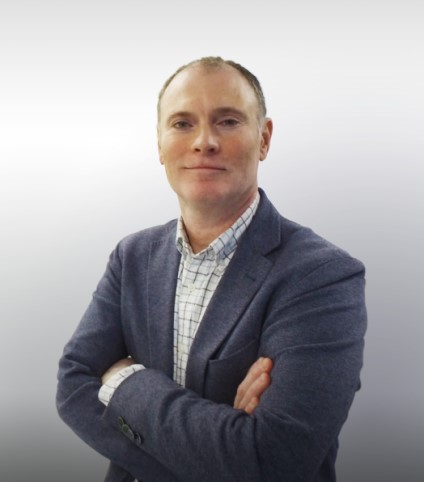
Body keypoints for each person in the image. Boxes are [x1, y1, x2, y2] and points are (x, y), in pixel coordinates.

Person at [56, 56, 367, 482]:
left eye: (227, 121)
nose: (204, 141)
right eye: (182, 123)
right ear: (159, 143)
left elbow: (271, 462)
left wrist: (125, 381)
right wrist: (217, 455)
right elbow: (73, 386)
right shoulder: (132, 257)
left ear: (264, 138)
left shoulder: (323, 277)